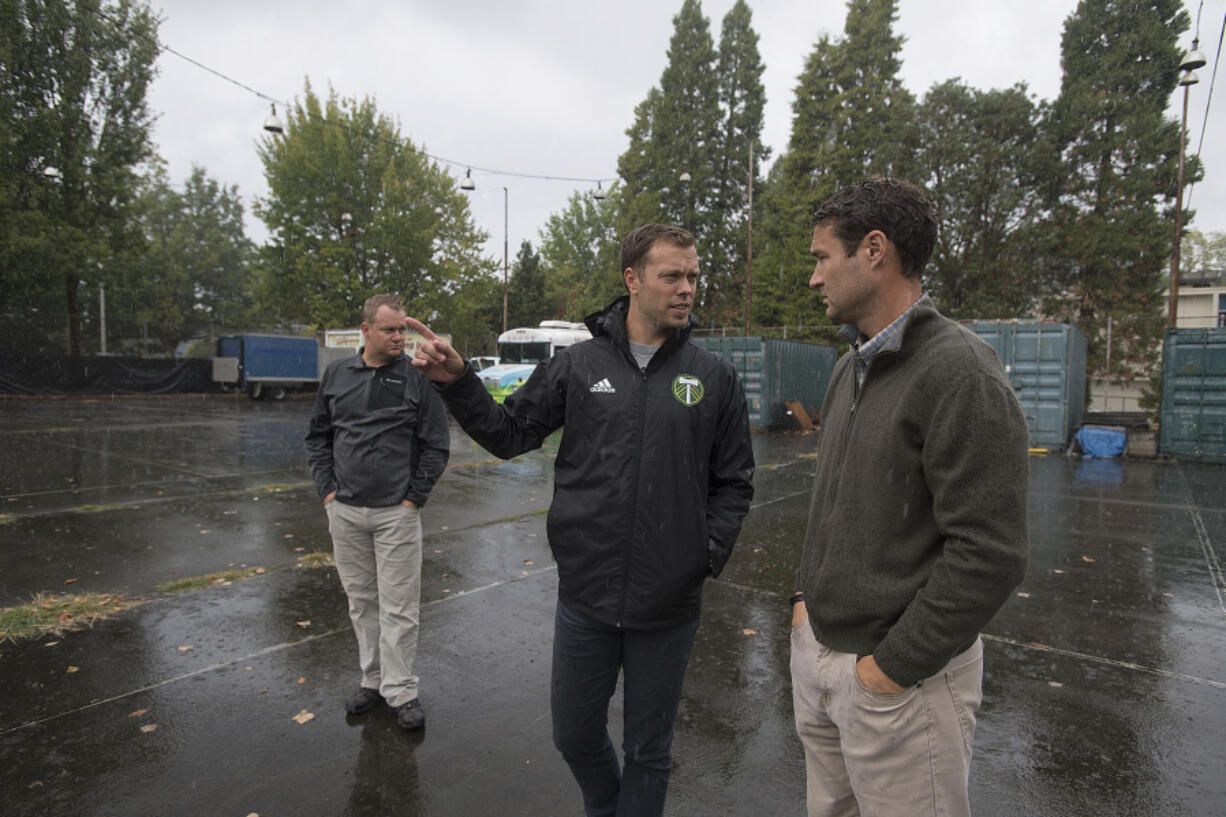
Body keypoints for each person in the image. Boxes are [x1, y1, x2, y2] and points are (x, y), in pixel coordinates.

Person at [407, 223, 755, 817]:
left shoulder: (714, 378)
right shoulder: (577, 365)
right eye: (672, 275)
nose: (686, 288)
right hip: (586, 597)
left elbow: (734, 483)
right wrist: (460, 383)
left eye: (693, 276)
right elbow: (511, 433)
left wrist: (702, 555)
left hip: (667, 606)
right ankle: (606, 805)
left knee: (650, 749)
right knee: (572, 734)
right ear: (633, 280)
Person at [790, 177, 1029, 817]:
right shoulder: (849, 367)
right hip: (820, 657)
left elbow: (990, 552)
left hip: (901, 687)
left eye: (821, 258)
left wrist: (889, 669)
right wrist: (803, 607)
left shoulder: (961, 372)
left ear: (874, 250)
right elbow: (834, 506)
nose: (814, 278)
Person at [305, 293, 450, 732]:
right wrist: (327, 492)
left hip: (396, 515)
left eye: (402, 329)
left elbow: (436, 444)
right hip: (345, 511)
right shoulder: (336, 374)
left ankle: (401, 689)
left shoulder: (416, 378)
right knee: (362, 603)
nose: (398, 337)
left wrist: (412, 499)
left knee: (400, 607)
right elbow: (318, 437)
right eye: (389, 329)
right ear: (365, 330)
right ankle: (372, 681)